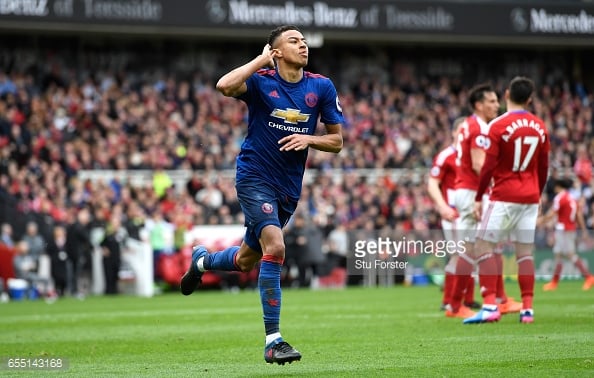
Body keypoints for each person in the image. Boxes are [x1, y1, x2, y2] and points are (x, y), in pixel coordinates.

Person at [180, 25, 343, 365]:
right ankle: (273, 340)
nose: (303, 45)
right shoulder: (261, 80)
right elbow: (224, 86)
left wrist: (310, 140)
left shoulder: (321, 86)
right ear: (276, 51)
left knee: (245, 261)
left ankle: (201, 261)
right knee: (276, 246)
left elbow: (337, 141)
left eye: (304, 40)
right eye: (293, 41)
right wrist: (259, 60)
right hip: (254, 177)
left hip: (287, 188)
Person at [464, 76, 550, 324]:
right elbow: (543, 168)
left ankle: (490, 305)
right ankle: (528, 310)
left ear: (506, 95)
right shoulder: (540, 126)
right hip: (531, 196)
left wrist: (480, 197)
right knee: (525, 253)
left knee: (483, 246)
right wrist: (539, 193)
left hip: (503, 195)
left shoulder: (498, 125)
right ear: (530, 99)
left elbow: (488, 166)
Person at [447, 83, 522, 318]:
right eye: (491, 101)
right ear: (479, 105)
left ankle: (457, 304)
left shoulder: (470, 125)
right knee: (485, 246)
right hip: (472, 192)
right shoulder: (478, 128)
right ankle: (493, 301)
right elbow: (480, 165)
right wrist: (500, 182)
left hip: (466, 190)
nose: (496, 105)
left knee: (474, 248)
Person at [427, 117, 480, 312]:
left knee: (469, 254)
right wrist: (442, 206)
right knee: (460, 254)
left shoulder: (473, 156)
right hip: (453, 214)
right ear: (453, 132)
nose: (464, 133)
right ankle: (451, 300)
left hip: (470, 212)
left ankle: (465, 299)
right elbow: (432, 183)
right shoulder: (446, 156)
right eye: (461, 130)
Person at [538, 178, 594, 291]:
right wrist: (583, 229)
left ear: (558, 186)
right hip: (570, 229)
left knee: (570, 255)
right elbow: (578, 215)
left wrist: (541, 221)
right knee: (558, 255)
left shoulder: (560, 198)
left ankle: (588, 277)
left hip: (563, 230)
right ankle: (554, 282)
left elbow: (552, 213)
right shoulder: (572, 198)